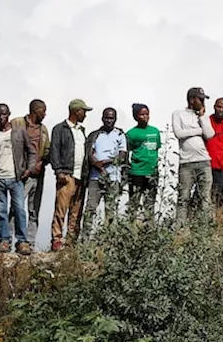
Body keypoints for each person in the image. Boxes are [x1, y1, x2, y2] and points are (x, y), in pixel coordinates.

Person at [0, 104, 35, 254]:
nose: (1, 117)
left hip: (16, 177)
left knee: (19, 209)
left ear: (9, 114)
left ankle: (22, 242)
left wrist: (29, 169)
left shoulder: (19, 132)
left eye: (4, 114)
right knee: (0, 211)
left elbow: (32, 151)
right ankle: (5, 241)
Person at [49, 99, 90, 250]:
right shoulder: (60, 129)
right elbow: (54, 150)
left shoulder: (81, 131)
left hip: (81, 176)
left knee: (76, 211)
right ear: (76, 111)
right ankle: (57, 239)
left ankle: (71, 242)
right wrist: (59, 171)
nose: (85, 114)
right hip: (67, 174)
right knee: (61, 209)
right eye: (83, 111)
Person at [171, 87, 215, 223]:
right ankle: (180, 228)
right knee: (183, 197)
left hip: (204, 161)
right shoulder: (178, 114)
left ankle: (204, 228)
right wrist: (198, 130)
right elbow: (179, 133)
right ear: (192, 99)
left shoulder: (202, 117)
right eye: (200, 99)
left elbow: (210, 134)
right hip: (186, 163)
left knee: (205, 197)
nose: (202, 102)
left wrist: (202, 117)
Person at [81, 107, 126, 237]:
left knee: (111, 209)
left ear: (115, 119)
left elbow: (122, 155)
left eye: (111, 118)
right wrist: (98, 165)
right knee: (90, 208)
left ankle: (109, 239)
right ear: (102, 118)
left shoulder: (120, 135)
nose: (109, 121)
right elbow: (89, 153)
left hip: (113, 177)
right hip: (95, 177)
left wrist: (106, 162)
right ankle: (85, 239)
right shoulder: (95, 135)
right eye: (106, 118)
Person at [11, 100, 50, 244]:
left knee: (34, 210)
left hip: (37, 175)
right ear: (36, 110)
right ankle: (9, 240)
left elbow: (47, 150)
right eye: (43, 111)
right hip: (20, 174)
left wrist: (41, 163)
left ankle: (30, 242)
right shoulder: (17, 123)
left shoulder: (43, 129)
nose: (45, 114)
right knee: (16, 208)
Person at [125, 104, 161, 222]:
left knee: (150, 202)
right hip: (137, 171)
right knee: (134, 201)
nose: (145, 117)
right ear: (136, 116)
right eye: (142, 114)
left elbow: (157, 148)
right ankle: (131, 228)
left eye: (147, 114)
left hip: (152, 171)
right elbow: (126, 152)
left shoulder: (155, 131)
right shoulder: (131, 133)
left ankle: (149, 229)